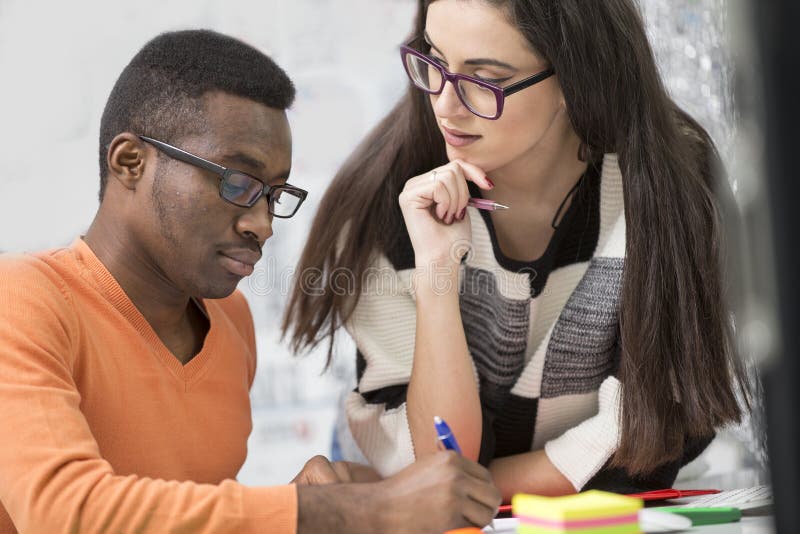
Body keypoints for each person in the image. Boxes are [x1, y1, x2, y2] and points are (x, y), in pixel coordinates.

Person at [0, 29, 501, 533]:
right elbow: (65, 513)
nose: (262, 224)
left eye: (274, 195)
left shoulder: (229, 319)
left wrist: (300, 501)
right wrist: (352, 512)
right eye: (237, 183)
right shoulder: (20, 299)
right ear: (131, 161)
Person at [283, 0, 751, 502]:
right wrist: (437, 274)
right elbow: (441, 462)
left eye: (484, 79)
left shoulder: (666, 181)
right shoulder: (382, 206)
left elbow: (646, 436)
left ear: (576, 78)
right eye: (435, 61)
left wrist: (396, 490)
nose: (445, 104)